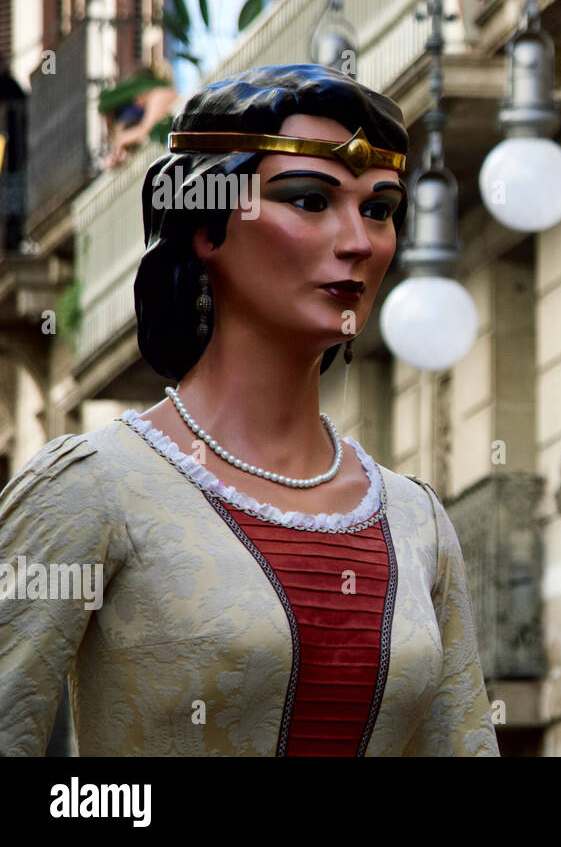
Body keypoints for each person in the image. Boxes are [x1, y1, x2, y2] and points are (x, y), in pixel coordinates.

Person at [0, 64, 499, 756]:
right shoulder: (91, 486)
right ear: (208, 230)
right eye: (310, 201)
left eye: (379, 209)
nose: (358, 240)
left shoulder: (418, 522)